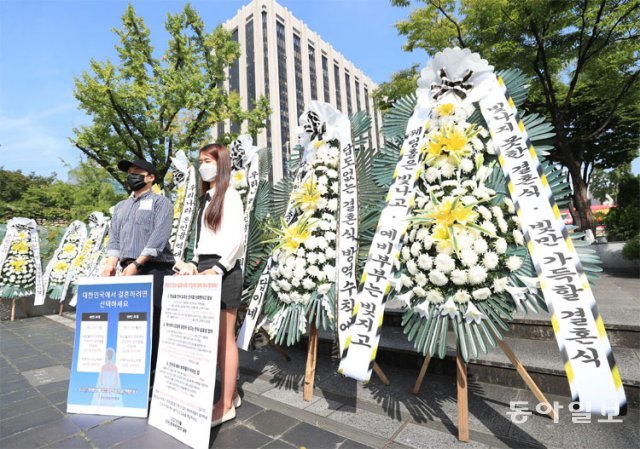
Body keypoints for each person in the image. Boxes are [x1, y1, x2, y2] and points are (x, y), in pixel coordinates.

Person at [174, 143, 244, 428]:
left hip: (224, 271)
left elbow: (236, 240)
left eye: (208, 161)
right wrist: (192, 263)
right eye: (200, 161)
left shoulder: (231, 195)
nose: (203, 166)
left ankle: (225, 405)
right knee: (210, 339)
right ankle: (231, 393)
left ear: (222, 163)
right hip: (204, 269)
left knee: (225, 339)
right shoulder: (206, 199)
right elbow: (202, 240)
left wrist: (217, 269)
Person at [101, 158, 174, 381]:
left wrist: (138, 263)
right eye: (129, 172)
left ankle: (154, 376)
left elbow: (158, 237)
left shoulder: (161, 203)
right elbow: (114, 239)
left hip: (154, 268)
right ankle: (132, 374)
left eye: (137, 171)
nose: (131, 175)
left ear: (150, 177)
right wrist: (110, 263)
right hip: (127, 269)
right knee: (129, 323)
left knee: (153, 322)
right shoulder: (120, 207)